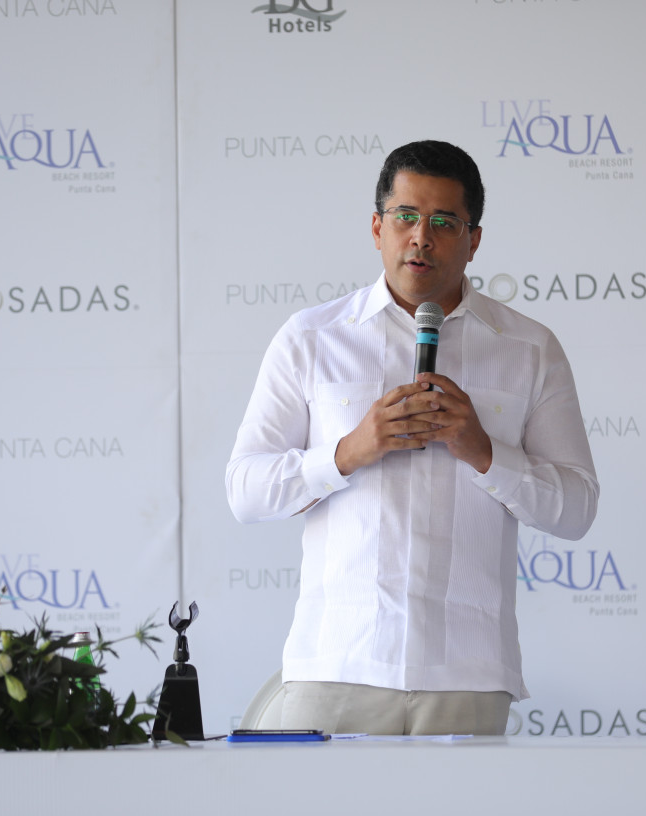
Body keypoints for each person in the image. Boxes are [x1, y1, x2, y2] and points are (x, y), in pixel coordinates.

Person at [225, 140, 599, 736]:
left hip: (467, 670)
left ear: (474, 240)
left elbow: (576, 509)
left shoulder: (529, 349)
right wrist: (350, 451)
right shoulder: (312, 338)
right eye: (405, 217)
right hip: (337, 663)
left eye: (444, 222)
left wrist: (485, 454)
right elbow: (245, 491)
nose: (421, 237)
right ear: (377, 228)